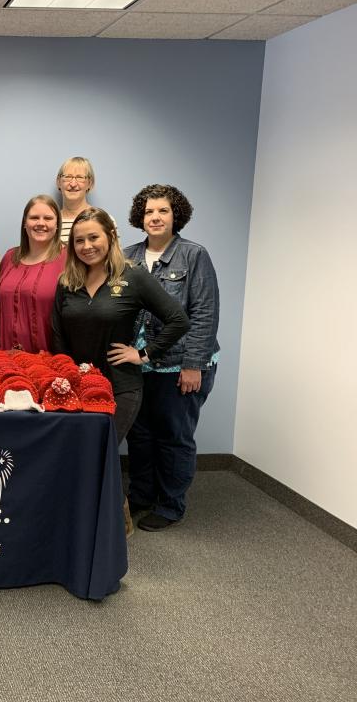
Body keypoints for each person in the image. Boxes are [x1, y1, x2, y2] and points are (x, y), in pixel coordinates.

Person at [124, 185, 220, 531]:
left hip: (180, 365)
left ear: (175, 215)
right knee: (140, 435)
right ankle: (141, 495)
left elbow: (205, 313)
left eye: (162, 211)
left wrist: (193, 364)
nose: (155, 217)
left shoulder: (194, 255)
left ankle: (170, 504)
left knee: (173, 436)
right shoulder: (128, 255)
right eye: (149, 211)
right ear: (140, 216)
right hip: (139, 363)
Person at [52, 207, 189, 444]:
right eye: (79, 240)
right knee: (76, 452)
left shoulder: (133, 276)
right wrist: (65, 376)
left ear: (111, 236)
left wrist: (144, 354)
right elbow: (58, 335)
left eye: (94, 237)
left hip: (120, 387)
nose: (87, 246)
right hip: (76, 385)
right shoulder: (67, 282)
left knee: (101, 452)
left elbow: (179, 320)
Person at [0, 194, 67, 353]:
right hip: (2, 357)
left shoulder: (68, 259)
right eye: (34, 218)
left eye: (48, 218)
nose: (41, 223)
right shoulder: (9, 257)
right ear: (24, 224)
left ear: (57, 225)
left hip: (47, 360)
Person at [55, 156, 96, 245]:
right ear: (58, 182)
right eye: (68, 177)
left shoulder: (103, 220)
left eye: (80, 177)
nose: (73, 184)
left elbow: (114, 258)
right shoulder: (50, 223)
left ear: (90, 183)